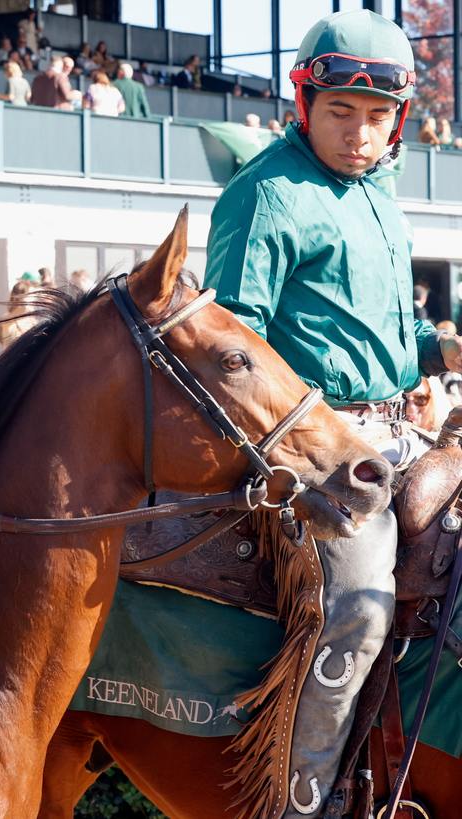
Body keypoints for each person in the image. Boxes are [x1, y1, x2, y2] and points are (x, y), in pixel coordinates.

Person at [204, 11, 462, 817]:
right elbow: (229, 348)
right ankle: (300, 802)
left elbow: (393, 332)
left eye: (378, 117)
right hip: (307, 447)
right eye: (340, 112)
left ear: (399, 120)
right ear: (303, 102)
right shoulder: (266, 193)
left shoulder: (380, 197)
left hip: (399, 429)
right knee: (357, 606)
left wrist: (443, 349)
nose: (360, 134)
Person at [0, 278, 39, 348]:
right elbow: (0, 341)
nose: (34, 299)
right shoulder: (3, 319)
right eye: (31, 295)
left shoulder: (33, 321)